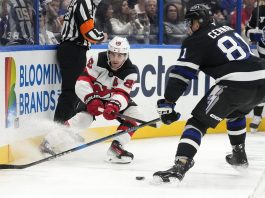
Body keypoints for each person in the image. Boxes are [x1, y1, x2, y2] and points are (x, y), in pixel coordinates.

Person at [153, 4, 265, 183]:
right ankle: (239, 156)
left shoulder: (196, 40)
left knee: (197, 123)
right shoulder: (227, 28)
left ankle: (181, 164)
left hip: (236, 83)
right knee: (235, 113)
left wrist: (168, 102)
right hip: (262, 78)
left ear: (199, 21)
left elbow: (181, 74)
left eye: (190, 21)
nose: (188, 26)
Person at [40, 36, 140, 164]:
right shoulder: (98, 59)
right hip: (94, 96)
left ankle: (116, 148)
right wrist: (91, 99)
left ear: (126, 56)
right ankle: (49, 142)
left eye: (120, 55)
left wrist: (114, 106)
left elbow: (123, 93)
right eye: (113, 54)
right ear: (108, 53)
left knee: (134, 116)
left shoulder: (130, 72)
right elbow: (82, 82)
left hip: (113, 99)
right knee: (83, 120)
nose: (116, 59)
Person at [53, 0, 106, 124]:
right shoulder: (84, 2)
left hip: (75, 50)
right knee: (70, 92)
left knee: (74, 92)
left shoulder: (85, 2)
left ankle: (65, 131)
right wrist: (101, 36)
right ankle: (55, 134)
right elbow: (88, 32)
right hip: (73, 50)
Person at [245, 0, 265, 133]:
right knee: (262, 86)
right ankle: (257, 116)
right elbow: (247, 31)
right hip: (262, 57)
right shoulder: (259, 11)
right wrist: (252, 34)